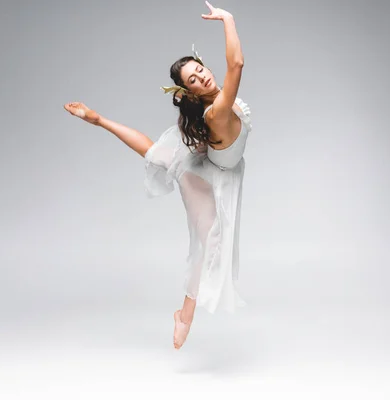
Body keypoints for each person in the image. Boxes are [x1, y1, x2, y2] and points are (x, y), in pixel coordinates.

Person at [63, 1, 252, 350]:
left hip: (209, 160)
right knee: (207, 242)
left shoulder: (215, 100)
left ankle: (99, 120)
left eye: (200, 70)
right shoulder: (216, 113)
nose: (202, 77)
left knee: (159, 153)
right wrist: (227, 18)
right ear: (190, 92)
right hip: (210, 175)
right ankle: (185, 316)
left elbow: (227, 71)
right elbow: (237, 63)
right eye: (193, 80)